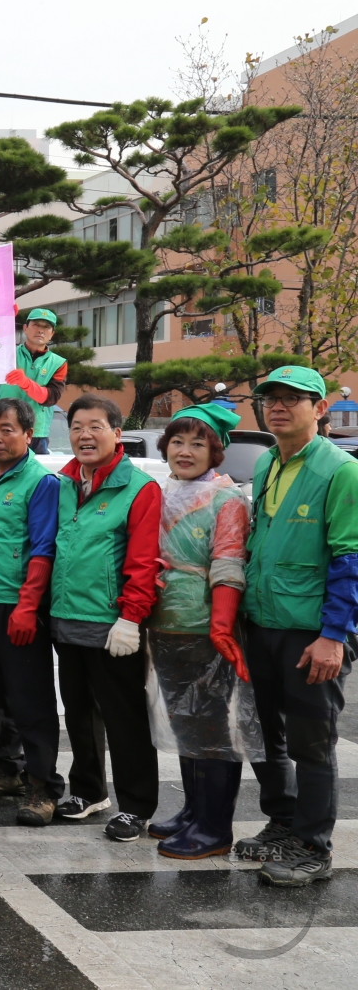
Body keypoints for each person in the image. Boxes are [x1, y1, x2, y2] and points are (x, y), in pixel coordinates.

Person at [236, 365, 358, 887]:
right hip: (262, 622)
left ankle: (313, 844)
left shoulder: (340, 470)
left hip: (312, 631)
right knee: (266, 734)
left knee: (312, 741)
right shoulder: (266, 462)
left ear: (320, 408)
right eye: (270, 400)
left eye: (293, 399)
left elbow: (350, 557)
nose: (278, 407)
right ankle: (282, 821)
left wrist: (334, 635)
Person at [145, 403, 261, 860]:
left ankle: (215, 825)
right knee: (183, 723)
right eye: (177, 441)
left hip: (204, 628)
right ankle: (193, 812)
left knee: (212, 728)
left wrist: (221, 623)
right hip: (165, 624)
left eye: (198, 443)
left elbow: (229, 562)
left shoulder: (226, 499)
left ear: (217, 451)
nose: (186, 451)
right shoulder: (160, 491)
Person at [50, 394, 162, 843]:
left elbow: (144, 561)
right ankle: (89, 791)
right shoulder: (61, 484)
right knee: (78, 711)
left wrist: (131, 619)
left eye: (96, 426)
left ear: (117, 434)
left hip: (111, 623)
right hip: (65, 617)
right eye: (77, 426)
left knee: (124, 717)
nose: (84, 435)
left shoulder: (138, 488)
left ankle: (136, 805)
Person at [0, 398, 64, 827]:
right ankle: (6, 769)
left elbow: (43, 548)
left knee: (30, 697)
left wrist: (27, 606)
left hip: (18, 603)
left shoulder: (42, 482)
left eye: (6, 429)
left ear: (28, 433)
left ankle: (43, 785)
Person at [0, 308, 68, 455]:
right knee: (0, 473)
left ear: (52, 334)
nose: (40, 330)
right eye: (36, 325)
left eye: (46, 327)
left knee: (35, 476)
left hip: (36, 432)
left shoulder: (59, 363)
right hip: (3, 425)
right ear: (25, 328)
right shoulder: (6, 352)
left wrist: (26, 383)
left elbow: (50, 398)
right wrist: (4, 319)